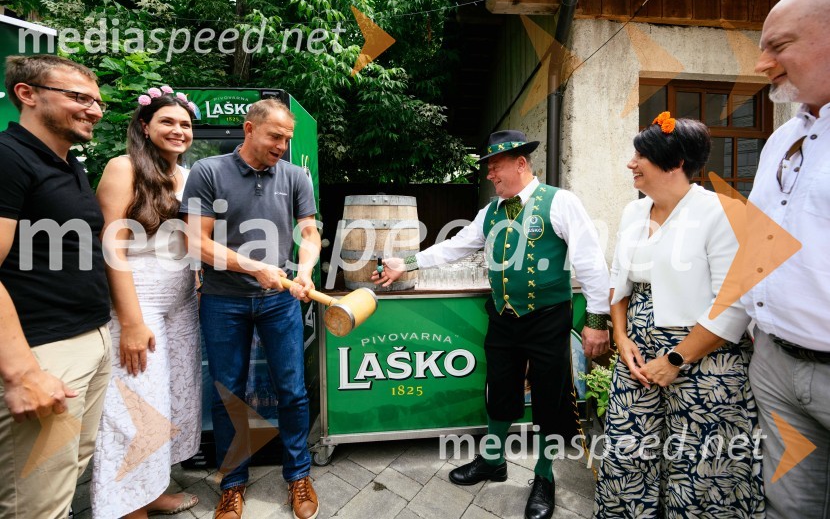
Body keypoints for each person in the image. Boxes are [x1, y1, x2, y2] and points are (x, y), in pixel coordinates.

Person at [377, 129, 611, 519]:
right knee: (499, 390)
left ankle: (544, 475)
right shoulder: (490, 212)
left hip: (547, 319)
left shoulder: (560, 202)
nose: (489, 174)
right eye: (488, 168)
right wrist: (408, 262)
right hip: (503, 317)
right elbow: (456, 246)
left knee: (550, 401)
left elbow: (590, 262)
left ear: (521, 164)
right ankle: (493, 460)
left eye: (495, 167)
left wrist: (596, 321)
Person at [594, 113, 765, 518]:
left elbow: (732, 301)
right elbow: (620, 283)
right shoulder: (633, 213)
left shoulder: (721, 212)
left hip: (705, 359)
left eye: (641, 156)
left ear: (673, 165)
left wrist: (675, 360)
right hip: (637, 356)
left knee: (699, 463)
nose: (631, 163)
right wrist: (620, 337)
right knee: (628, 451)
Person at [181, 98, 321, 519]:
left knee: (293, 390)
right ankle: (233, 483)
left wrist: (307, 271)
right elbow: (195, 242)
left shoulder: (296, 176)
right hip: (223, 300)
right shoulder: (209, 172)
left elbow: (309, 233)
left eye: (287, 138)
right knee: (228, 393)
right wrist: (252, 266)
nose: (282, 145)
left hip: (280, 300)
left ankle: (298, 475)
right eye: (275, 136)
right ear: (249, 129)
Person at [0, 55, 112, 517]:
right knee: (35, 501)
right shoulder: (8, 158)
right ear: (27, 94)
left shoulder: (67, 164)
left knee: (66, 476)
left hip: (90, 338)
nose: (94, 109)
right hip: (44, 350)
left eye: (97, 101)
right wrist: (22, 372)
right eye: (79, 97)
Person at [742, 0, 830, 518]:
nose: (761, 64)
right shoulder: (783, 136)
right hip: (775, 360)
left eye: (778, 46)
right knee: (790, 508)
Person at [90, 89, 202, 518]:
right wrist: (131, 322)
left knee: (170, 402)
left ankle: (151, 490)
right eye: (168, 122)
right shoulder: (123, 168)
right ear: (144, 126)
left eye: (185, 125)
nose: (178, 131)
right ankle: (124, 506)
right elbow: (110, 248)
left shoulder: (188, 176)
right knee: (133, 406)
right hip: (138, 305)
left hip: (181, 303)